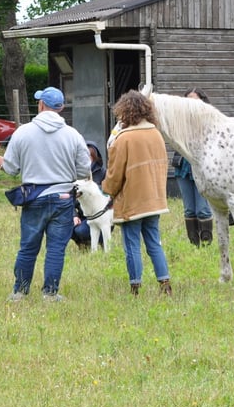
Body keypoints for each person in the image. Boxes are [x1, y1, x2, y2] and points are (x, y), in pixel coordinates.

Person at [0, 87, 91, 302]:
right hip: (63, 199)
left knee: (28, 247)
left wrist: (1, 163)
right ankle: (50, 293)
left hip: (34, 198)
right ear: (61, 108)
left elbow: (11, 169)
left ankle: (19, 292)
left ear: (40, 105)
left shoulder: (23, 132)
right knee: (56, 249)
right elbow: (85, 170)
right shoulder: (73, 135)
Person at [102, 90, 172, 296]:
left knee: (132, 244)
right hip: (155, 200)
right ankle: (165, 284)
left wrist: (108, 191)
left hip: (132, 201)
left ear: (125, 112)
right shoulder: (156, 134)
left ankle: (135, 287)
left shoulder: (123, 139)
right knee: (154, 242)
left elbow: (114, 175)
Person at [173, 88, 213, 246]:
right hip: (183, 167)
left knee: (203, 209)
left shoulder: (209, 120)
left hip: (202, 168)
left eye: (194, 100)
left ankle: (206, 243)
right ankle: (194, 244)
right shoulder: (180, 121)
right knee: (189, 209)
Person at [71, 140, 107, 249]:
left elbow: (108, 195)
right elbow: (70, 198)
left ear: (95, 158)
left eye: (89, 158)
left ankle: (100, 241)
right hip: (82, 214)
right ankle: (82, 243)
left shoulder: (104, 173)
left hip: (101, 214)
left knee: (83, 230)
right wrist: (74, 216)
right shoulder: (74, 176)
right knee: (66, 226)